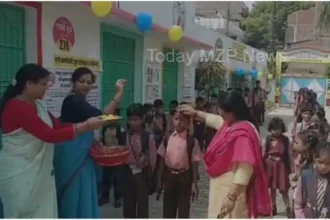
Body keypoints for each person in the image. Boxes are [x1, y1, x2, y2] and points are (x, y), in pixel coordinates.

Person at [0, 64, 105, 218]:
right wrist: (86, 126)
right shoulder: (16, 107)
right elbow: (48, 135)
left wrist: (84, 129)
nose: (46, 88)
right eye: (43, 84)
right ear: (29, 84)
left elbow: (57, 125)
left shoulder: (38, 105)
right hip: (21, 172)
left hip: (39, 173)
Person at [178, 91, 271, 218]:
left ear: (231, 113)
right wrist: (196, 114)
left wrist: (231, 198)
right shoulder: (232, 125)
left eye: (220, 110)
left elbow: (244, 170)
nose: (218, 112)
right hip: (221, 189)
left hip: (232, 192)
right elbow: (216, 120)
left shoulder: (243, 134)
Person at [53, 67, 126, 218]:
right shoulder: (73, 100)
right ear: (73, 82)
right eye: (82, 81)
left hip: (80, 152)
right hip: (72, 155)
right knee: (74, 193)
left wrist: (91, 140)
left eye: (89, 82)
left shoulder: (77, 100)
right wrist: (118, 95)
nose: (86, 85)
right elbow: (103, 118)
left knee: (84, 192)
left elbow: (79, 124)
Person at [157, 108, 201, 218]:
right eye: (176, 119)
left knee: (183, 209)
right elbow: (162, 159)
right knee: (168, 209)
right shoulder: (167, 138)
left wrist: (194, 183)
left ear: (188, 123)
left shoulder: (192, 141)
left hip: (184, 177)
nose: (178, 122)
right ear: (172, 120)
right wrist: (159, 179)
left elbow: (195, 163)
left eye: (181, 120)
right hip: (169, 177)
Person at [123, 103, 157, 218]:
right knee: (128, 205)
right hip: (127, 173)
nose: (132, 122)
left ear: (142, 119)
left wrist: (151, 177)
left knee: (142, 206)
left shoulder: (149, 137)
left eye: (135, 119)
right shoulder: (124, 135)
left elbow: (152, 159)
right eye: (130, 119)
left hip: (142, 174)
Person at [294, 141, 330, 218]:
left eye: (328, 163)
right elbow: (298, 204)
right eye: (320, 162)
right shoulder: (306, 176)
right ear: (314, 158)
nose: (324, 166)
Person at [263, 117, 291, 217]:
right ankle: (273, 207)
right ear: (270, 129)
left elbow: (289, 154)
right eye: (273, 129)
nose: (276, 131)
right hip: (270, 165)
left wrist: (291, 169)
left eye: (278, 128)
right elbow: (264, 152)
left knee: (283, 189)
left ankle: (288, 208)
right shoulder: (268, 139)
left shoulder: (285, 140)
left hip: (281, 166)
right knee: (272, 188)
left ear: (281, 128)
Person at [98, 108, 126, 208]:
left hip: (117, 158)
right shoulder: (105, 129)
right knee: (105, 178)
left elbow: (123, 144)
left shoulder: (120, 129)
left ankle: (118, 198)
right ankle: (105, 197)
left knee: (118, 179)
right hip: (107, 158)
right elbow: (102, 140)